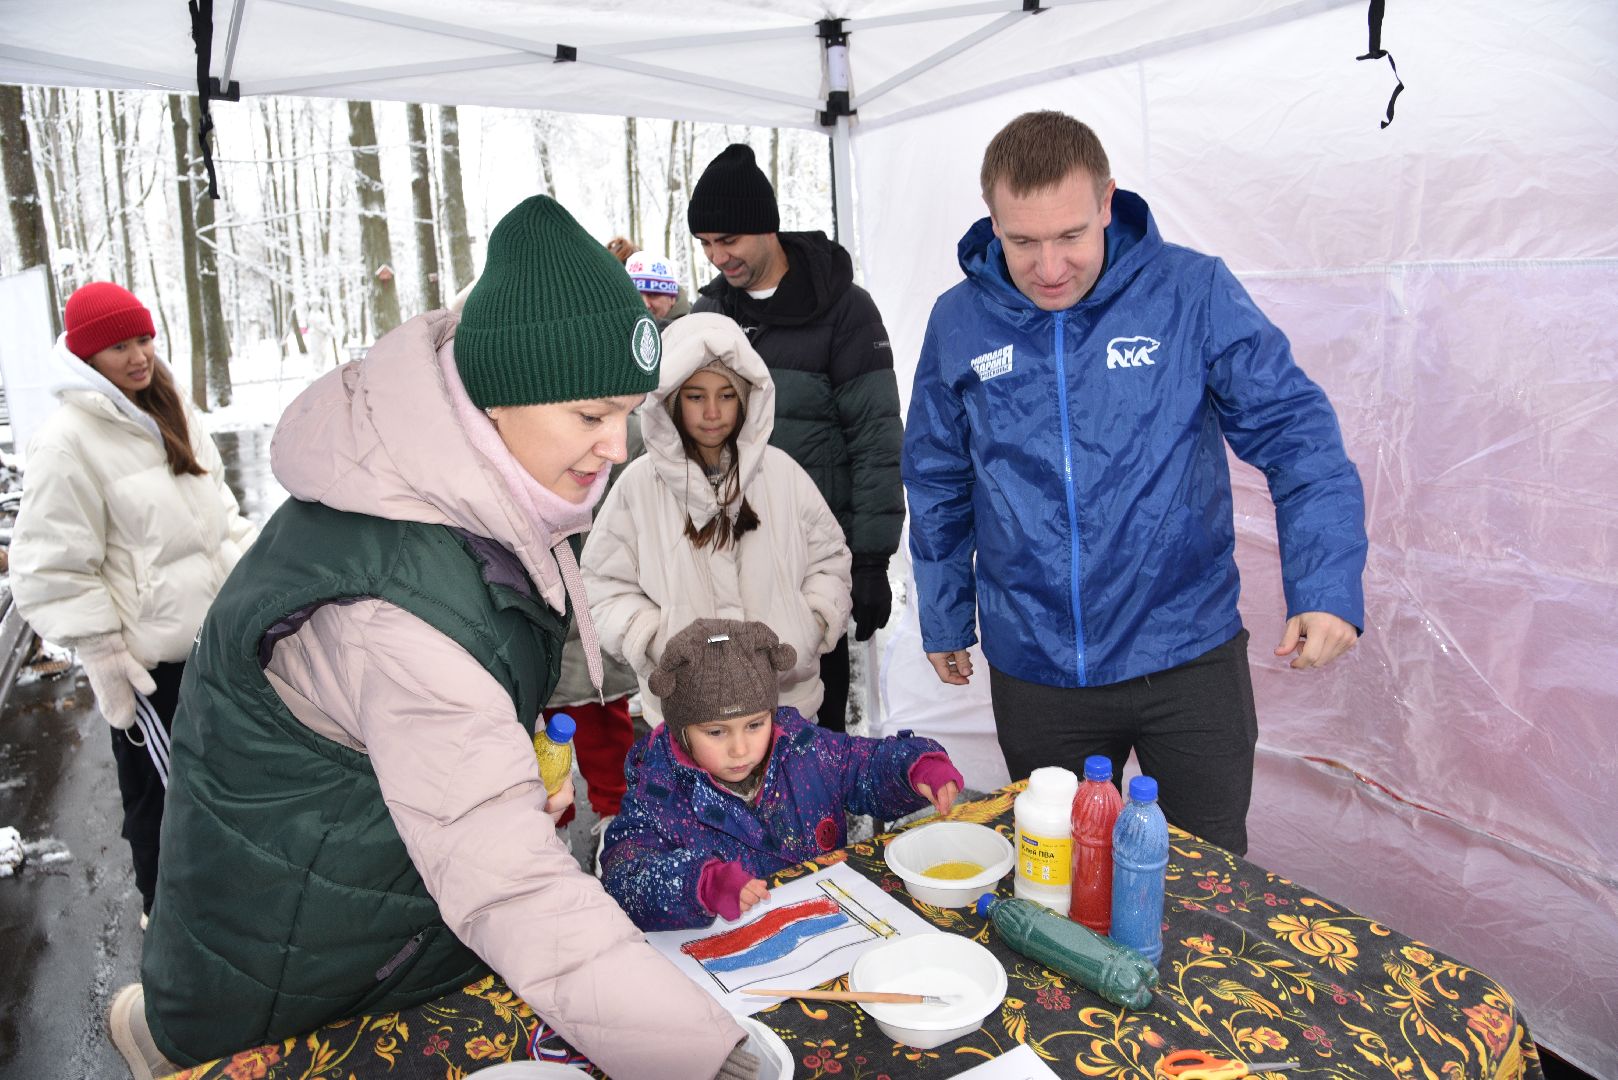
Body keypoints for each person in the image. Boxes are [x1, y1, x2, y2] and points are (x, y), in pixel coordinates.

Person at [109, 197, 759, 1080]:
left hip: (366, 910)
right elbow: (507, 882)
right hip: (298, 977)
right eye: (590, 414)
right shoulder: (397, 605)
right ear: (499, 396)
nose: (617, 445)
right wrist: (706, 1057)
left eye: (629, 411)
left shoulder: (455, 486)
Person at [903, 111, 1367, 856]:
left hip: (1185, 656)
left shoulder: (1191, 291)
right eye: (1022, 241)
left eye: (1071, 236)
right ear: (992, 221)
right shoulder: (959, 321)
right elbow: (936, 475)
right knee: (1059, 875)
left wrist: (1327, 583)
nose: (1049, 266)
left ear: (1108, 202)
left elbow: (1297, 434)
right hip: (1037, 666)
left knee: (1206, 879)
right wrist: (946, 612)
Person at [8, 281, 258, 929]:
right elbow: (49, 565)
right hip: (151, 664)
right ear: (87, 357)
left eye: (143, 338)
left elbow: (221, 516)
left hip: (214, 642)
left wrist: (252, 591)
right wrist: (104, 653)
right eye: (118, 345)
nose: (138, 355)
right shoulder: (68, 441)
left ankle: (233, 905)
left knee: (229, 783)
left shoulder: (170, 407)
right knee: (162, 794)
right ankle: (167, 918)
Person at [688, 143, 903, 732]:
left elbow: (877, 439)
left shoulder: (845, 312)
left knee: (808, 728)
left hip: (812, 561)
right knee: (728, 725)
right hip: (722, 560)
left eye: (728, 240)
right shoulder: (708, 317)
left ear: (766, 228)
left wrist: (870, 559)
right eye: (705, 243)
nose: (717, 255)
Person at [600, 618, 963, 930]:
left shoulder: (805, 749)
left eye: (755, 724)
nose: (740, 749)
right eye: (716, 732)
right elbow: (625, 878)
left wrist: (913, 766)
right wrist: (700, 882)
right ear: (682, 730)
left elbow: (864, 765)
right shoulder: (660, 791)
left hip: (827, 926)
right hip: (733, 956)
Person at [582, 313, 852, 728]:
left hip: (785, 708)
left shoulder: (782, 474)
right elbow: (602, 584)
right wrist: (656, 640)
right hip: (686, 714)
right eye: (695, 396)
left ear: (748, 397)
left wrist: (810, 623)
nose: (712, 412)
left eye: (727, 395)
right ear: (670, 399)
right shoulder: (638, 486)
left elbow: (829, 560)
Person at [624, 248, 682, 324]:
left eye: (653, 295)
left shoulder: (692, 330)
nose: (645, 304)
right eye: (635, 296)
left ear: (672, 299)